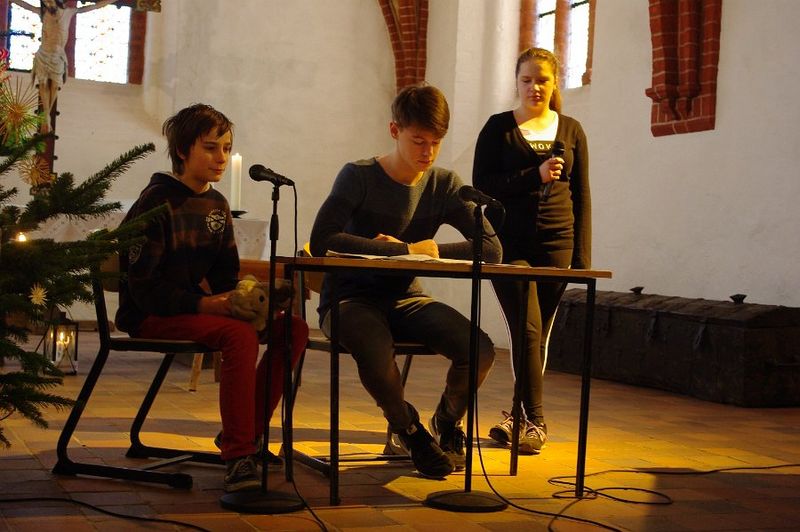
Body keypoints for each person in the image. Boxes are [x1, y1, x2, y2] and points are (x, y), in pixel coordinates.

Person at [309, 84, 501, 479]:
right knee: (376, 350)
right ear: (395, 131)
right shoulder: (358, 176)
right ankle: (409, 430)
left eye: (436, 142)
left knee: (478, 348)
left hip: (406, 299)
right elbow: (323, 238)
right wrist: (402, 250)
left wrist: (429, 251)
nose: (428, 152)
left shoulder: (444, 184)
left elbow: (491, 248)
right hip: (348, 300)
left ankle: (445, 422)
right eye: (418, 140)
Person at [115, 103, 309, 492]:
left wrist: (256, 299)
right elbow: (143, 288)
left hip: (191, 309)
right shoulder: (156, 201)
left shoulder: (216, 204)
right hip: (149, 314)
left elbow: (225, 277)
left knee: (294, 328)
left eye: (226, 148)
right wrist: (206, 304)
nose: (221, 157)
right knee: (238, 336)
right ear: (182, 150)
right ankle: (238, 456)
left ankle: (245, 433)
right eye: (210, 147)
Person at [472, 47, 591, 455]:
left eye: (542, 80)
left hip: (558, 244)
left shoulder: (571, 130)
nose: (534, 87)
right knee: (525, 327)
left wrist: (582, 259)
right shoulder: (497, 128)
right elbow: (482, 187)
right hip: (508, 243)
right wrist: (533, 175)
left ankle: (519, 417)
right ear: (516, 82)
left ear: (554, 83)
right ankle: (535, 421)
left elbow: (581, 195)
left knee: (539, 334)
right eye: (527, 80)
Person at [11, 0, 118, 133]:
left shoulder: (69, 12)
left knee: (55, 85)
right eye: (46, 2)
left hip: (58, 56)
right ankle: (46, 117)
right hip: (44, 54)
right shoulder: (42, 13)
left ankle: (47, 115)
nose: (48, 4)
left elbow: (94, 6)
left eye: (50, 2)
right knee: (43, 84)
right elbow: (25, 5)